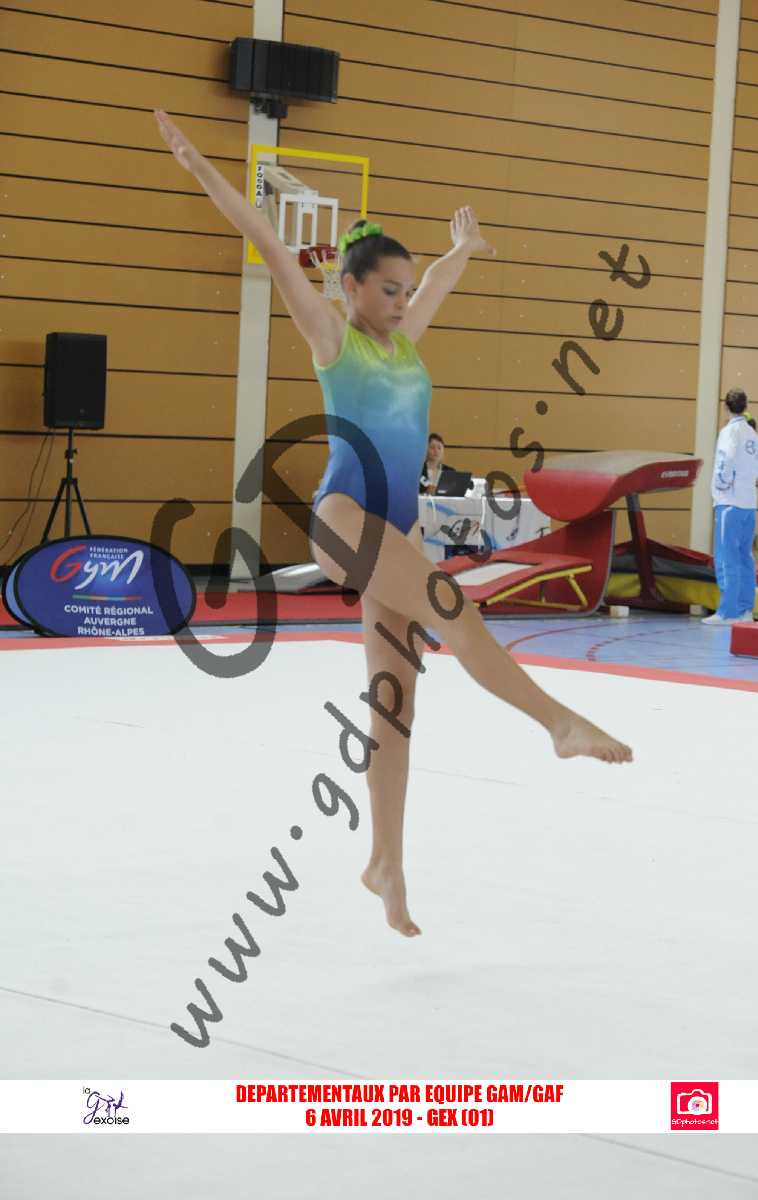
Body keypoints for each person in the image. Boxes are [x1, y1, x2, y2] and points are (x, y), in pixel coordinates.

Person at [155, 110, 633, 940]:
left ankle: (384, 862)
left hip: (396, 532)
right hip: (345, 519)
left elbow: (439, 281)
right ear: (349, 288)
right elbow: (266, 241)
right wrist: (199, 165)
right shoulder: (332, 338)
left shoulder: (405, 343)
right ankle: (557, 722)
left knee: (394, 702)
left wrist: (460, 251)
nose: (402, 301)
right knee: (455, 608)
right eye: (388, 289)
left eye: (406, 291)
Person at [703, 390, 758, 625]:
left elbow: (726, 458)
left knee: (726, 557)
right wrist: (749, 476)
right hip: (748, 505)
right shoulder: (750, 433)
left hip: (729, 502)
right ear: (746, 406)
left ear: (726, 406)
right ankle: (745, 610)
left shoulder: (729, 432)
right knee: (745, 557)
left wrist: (724, 483)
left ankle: (727, 612)